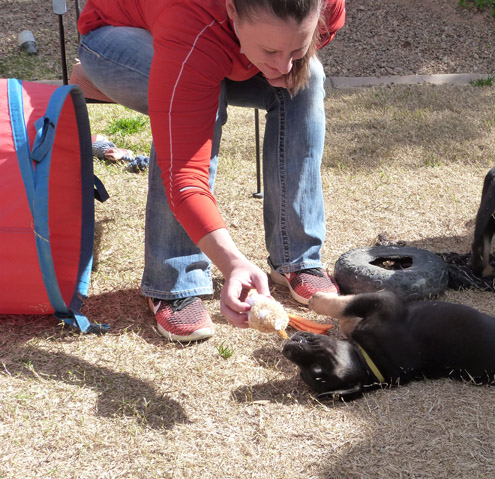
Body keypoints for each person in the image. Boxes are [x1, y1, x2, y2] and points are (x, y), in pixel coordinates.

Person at [77, 0, 346, 342]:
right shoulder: (192, 21)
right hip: (115, 38)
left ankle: (297, 258)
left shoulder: (328, 7)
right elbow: (185, 177)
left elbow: (296, 50)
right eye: (271, 49)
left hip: (213, 44)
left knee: (307, 78)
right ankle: (174, 282)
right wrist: (232, 262)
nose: (283, 63)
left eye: (297, 45)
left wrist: (286, 57)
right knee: (204, 94)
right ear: (233, 11)